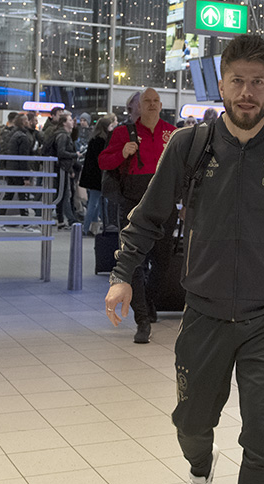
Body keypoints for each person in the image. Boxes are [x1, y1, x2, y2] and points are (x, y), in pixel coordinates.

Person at [104, 34, 264, 484]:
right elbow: (149, 216)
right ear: (222, 86)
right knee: (191, 424)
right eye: (237, 81)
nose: (247, 92)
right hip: (204, 315)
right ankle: (200, 468)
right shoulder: (190, 146)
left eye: (258, 82)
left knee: (263, 440)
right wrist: (122, 275)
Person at [99, 87, 177, 343]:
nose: (152, 104)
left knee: (163, 262)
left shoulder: (172, 133)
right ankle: (142, 318)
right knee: (134, 263)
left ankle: (149, 301)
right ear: (137, 106)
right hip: (133, 204)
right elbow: (103, 162)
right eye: (147, 101)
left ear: (161, 105)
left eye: (156, 101)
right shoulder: (123, 133)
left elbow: (184, 170)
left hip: (164, 204)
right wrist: (122, 153)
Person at [80, 114, 117, 235]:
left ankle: (93, 227)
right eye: (110, 126)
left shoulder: (94, 139)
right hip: (98, 176)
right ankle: (88, 228)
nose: (112, 128)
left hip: (92, 175)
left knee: (96, 202)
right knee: (96, 203)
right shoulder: (103, 141)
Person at [0, 114, 33, 229]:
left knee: (8, 195)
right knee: (22, 196)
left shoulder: (12, 134)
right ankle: (25, 222)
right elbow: (23, 158)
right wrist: (26, 177)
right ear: (23, 122)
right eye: (27, 120)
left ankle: (0, 219)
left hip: (10, 168)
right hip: (18, 170)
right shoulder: (23, 137)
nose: (29, 122)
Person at [51, 115, 80, 228]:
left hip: (63, 167)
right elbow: (61, 152)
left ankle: (61, 220)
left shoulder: (63, 134)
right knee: (63, 194)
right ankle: (70, 219)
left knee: (62, 194)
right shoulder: (63, 136)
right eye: (69, 120)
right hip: (62, 167)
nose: (72, 121)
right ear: (64, 123)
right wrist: (74, 155)